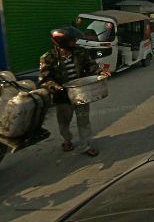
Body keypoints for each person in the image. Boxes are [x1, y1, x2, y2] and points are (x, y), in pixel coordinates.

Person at [39, 27, 110, 156]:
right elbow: (45, 79)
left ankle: (86, 146)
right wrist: (55, 87)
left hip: (82, 93)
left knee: (84, 121)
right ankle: (67, 140)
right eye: (72, 40)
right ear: (62, 42)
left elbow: (91, 65)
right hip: (62, 97)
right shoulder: (48, 58)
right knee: (64, 122)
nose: (75, 42)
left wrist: (100, 72)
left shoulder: (80, 52)